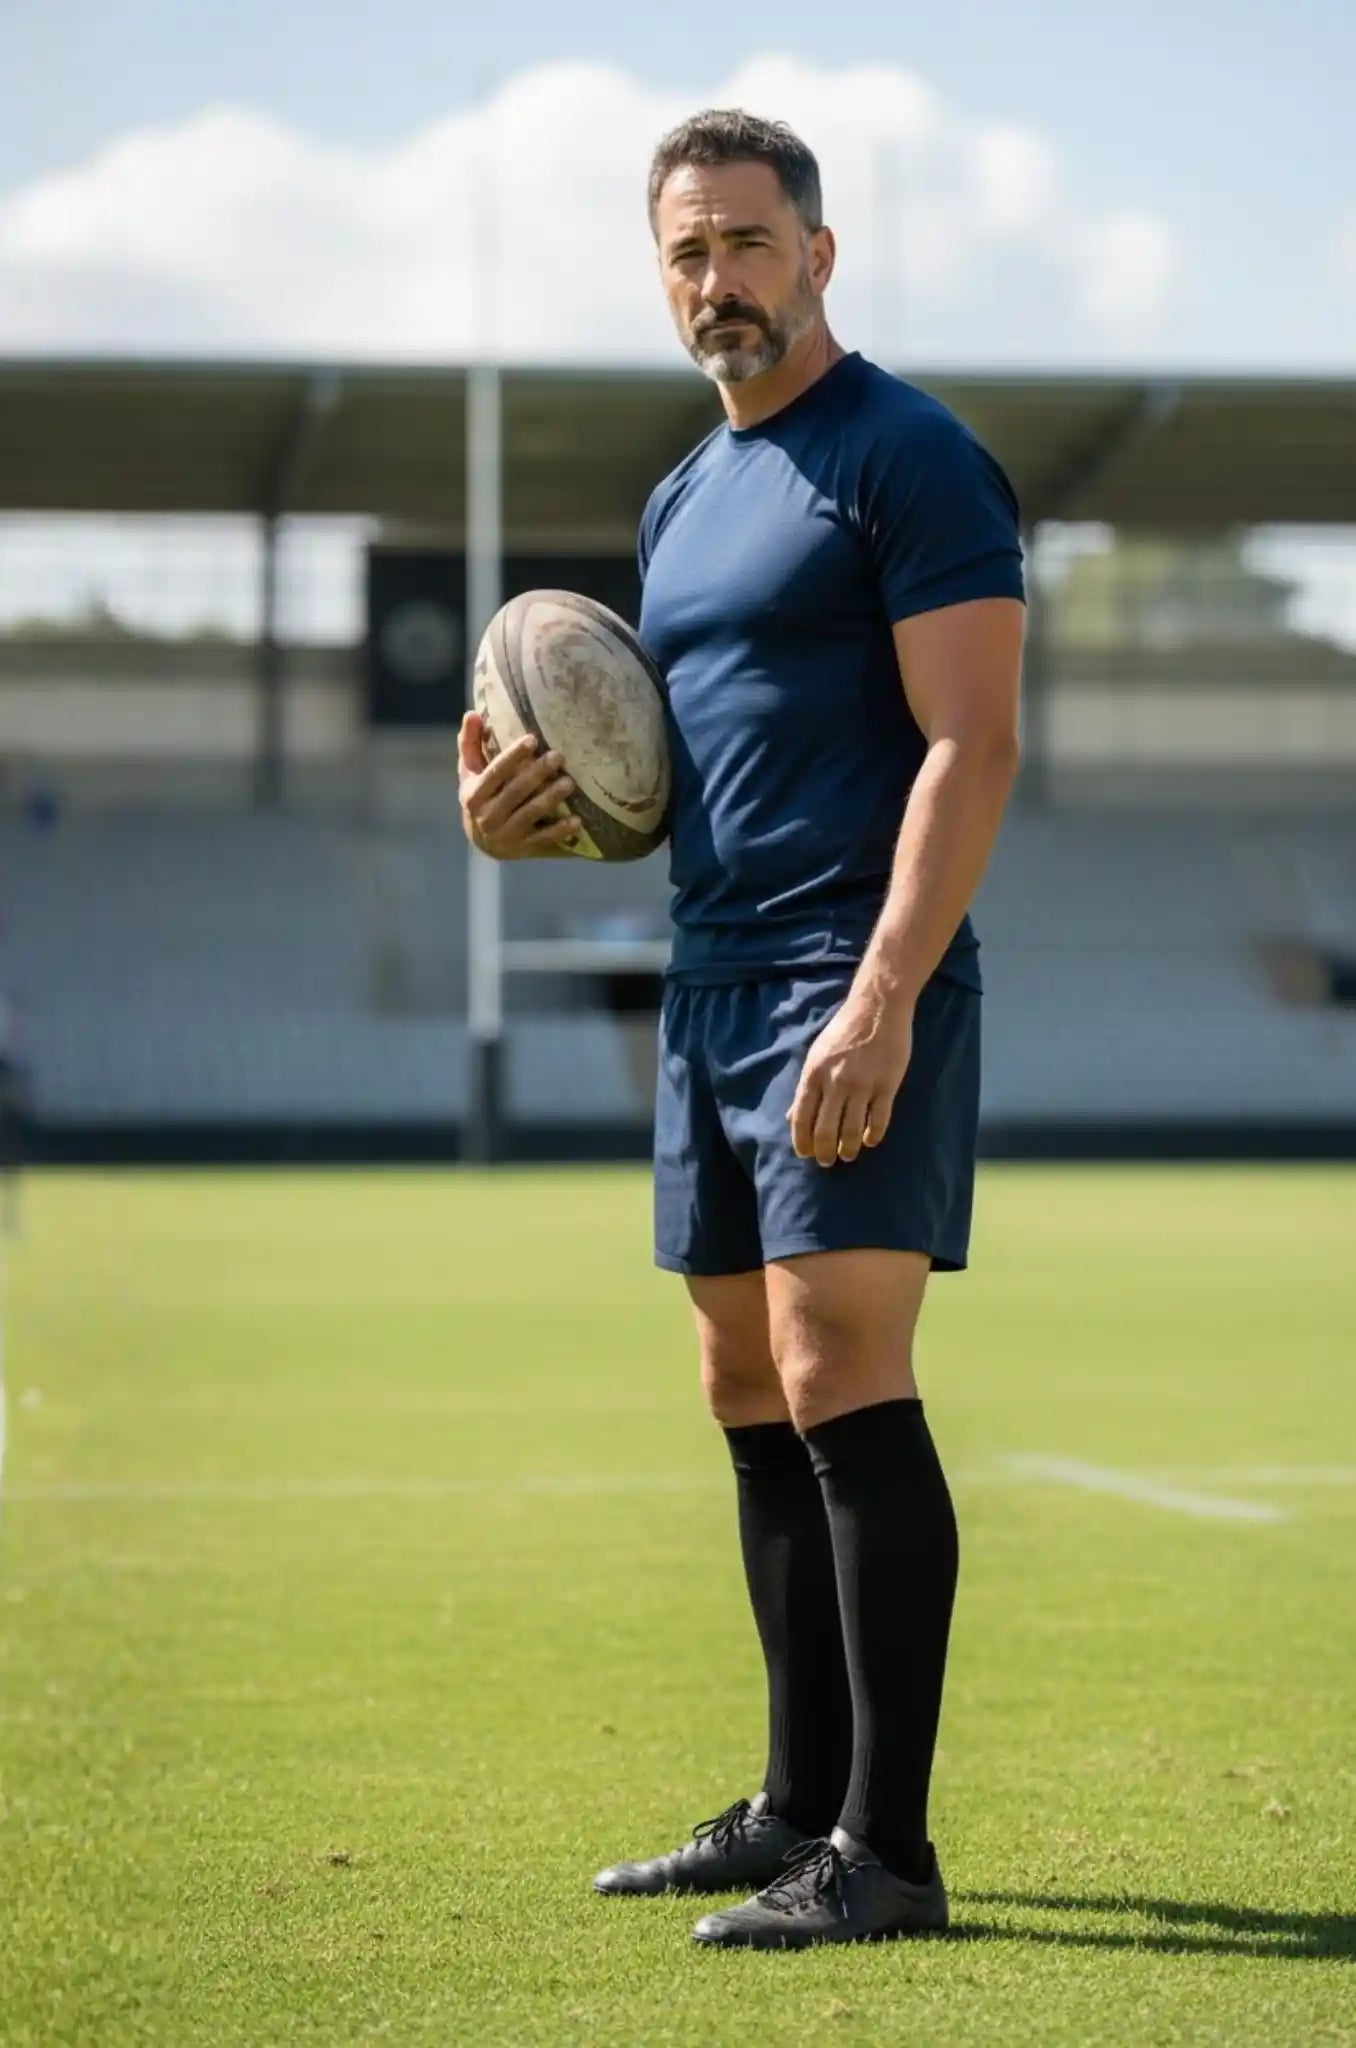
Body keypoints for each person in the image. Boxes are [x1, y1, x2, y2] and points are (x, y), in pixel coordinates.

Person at [455, 109, 1025, 1951]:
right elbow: (648, 780)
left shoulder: (913, 458)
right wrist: (507, 815)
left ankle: (890, 1851)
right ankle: (794, 1804)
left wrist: (878, 995)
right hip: (709, 983)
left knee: (842, 1363)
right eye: (687, 253)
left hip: (845, 980)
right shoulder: (682, 500)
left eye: (750, 245)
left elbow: (973, 742)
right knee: (741, 1381)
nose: (719, 281)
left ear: (822, 255)